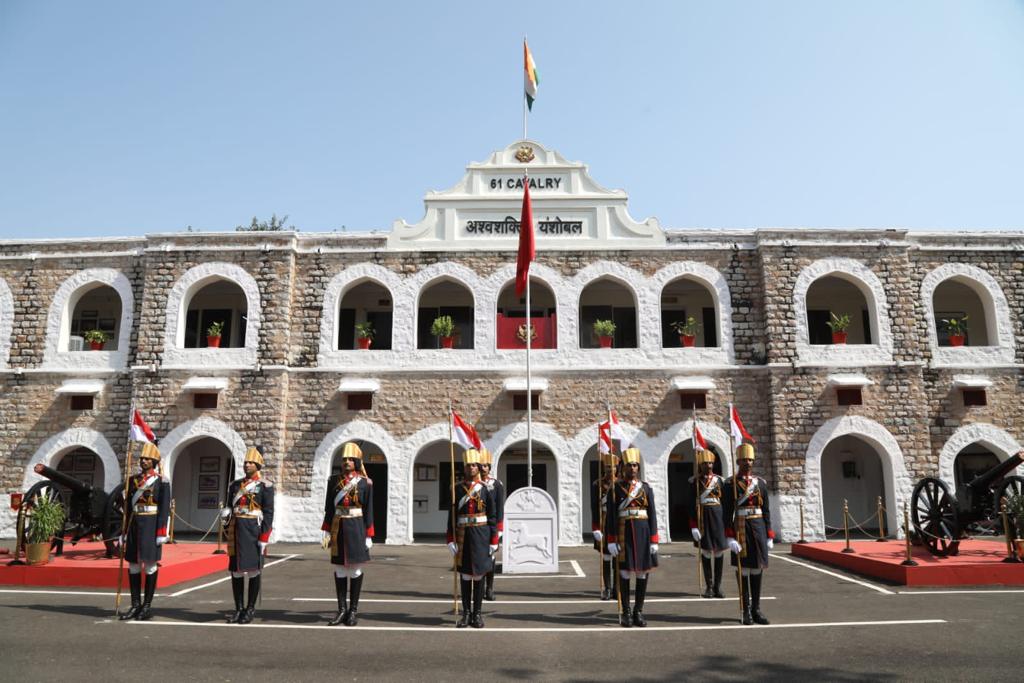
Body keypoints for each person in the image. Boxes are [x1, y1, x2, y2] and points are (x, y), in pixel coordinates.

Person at [321, 442, 374, 626]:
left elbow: (369, 510)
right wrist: (326, 530)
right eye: (344, 459)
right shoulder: (333, 480)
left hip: (357, 527)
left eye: (351, 459)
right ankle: (341, 610)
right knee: (340, 569)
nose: (347, 462)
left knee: (355, 569)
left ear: (357, 462)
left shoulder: (365, 483)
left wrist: (369, 535)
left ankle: (353, 611)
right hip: (338, 527)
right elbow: (329, 507)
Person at [605, 447, 658, 627]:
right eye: (630, 465)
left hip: (643, 531)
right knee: (625, 572)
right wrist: (611, 540)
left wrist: (654, 539)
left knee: (642, 573)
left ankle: (639, 611)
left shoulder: (646, 488)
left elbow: (652, 513)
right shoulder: (615, 488)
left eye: (635, 465)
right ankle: (626, 611)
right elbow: (611, 515)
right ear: (623, 467)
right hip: (623, 531)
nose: (633, 468)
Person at [221, 446, 274, 624]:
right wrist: (226, 512)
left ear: (258, 465)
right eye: (245, 462)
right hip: (236, 529)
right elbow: (230, 504)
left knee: (252, 571)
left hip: (253, 530)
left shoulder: (265, 486)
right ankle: (238, 608)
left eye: (251, 462)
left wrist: (264, 537)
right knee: (236, 571)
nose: (247, 465)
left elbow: (268, 513)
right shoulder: (235, 485)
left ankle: (250, 609)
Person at [723, 443, 774, 625]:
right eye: (744, 459)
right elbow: (727, 511)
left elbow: (766, 510)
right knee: (743, 569)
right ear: (738, 461)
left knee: (757, 567)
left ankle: (756, 609)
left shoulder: (760, 483)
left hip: (758, 526)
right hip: (741, 526)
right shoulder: (730, 484)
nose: (748, 463)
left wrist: (769, 534)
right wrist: (729, 536)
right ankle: (745, 610)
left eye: (750, 460)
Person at [119, 441, 170, 622]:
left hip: (151, 525)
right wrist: (123, 531)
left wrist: (162, 532)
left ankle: (146, 606)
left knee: (149, 566)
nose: (144, 461)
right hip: (134, 525)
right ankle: (135, 604)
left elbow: (164, 509)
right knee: (133, 565)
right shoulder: (132, 481)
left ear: (154, 461)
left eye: (148, 459)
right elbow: (127, 508)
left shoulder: (162, 482)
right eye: (142, 458)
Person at [446, 448, 497, 628]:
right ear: (465, 467)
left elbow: (492, 516)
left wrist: (493, 540)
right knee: (466, 575)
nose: (472, 468)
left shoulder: (486, 489)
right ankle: (466, 614)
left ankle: (477, 615)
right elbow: (451, 516)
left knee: (479, 575)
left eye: (475, 465)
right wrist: (450, 539)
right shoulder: (457, 488)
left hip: (481, 534)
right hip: (462, 534)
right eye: (469, 465)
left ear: (478, 467)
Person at [688, 449, 728, 599]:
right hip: (702, 518)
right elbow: (691, 505)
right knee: (705, 551)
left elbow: (726, 502)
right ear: (700, 464)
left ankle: (718, 586)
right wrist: (693, 525)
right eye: (705, 463)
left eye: (711, 463)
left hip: (717, 516)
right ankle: (709, 587)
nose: (709, 466)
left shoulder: (720, 481)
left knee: (718, 551)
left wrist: (727, 523)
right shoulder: (695, 482)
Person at [591, 450, 619, 601]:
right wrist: (595, 528)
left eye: (613, 467)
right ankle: (607, 588)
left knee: (617, 556)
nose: (610, 470)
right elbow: (594, 506)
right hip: (603, 521)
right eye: (608, 467)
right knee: (606, 556)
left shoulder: (621, 483)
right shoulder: (598, 484)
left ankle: (616, 588)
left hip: (617, 522)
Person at [479, 448, 505, 602]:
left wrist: (499, 529)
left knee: (491, 557)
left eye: (485, 465)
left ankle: (489, 587)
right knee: (478, 557)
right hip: (477, 526)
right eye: (481, 465)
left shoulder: (496, 484)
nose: (483, 468)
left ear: (489, 467)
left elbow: (500, 508)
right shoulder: (474, 485)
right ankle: (479, 588)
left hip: (492, 526)